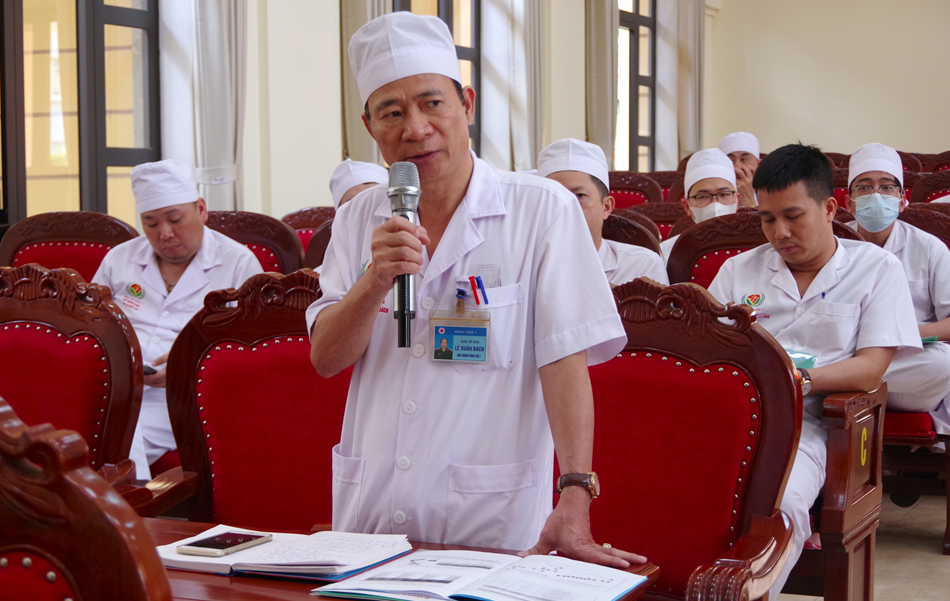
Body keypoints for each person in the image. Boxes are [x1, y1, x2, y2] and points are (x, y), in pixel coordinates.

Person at [307, 12, 643, 568]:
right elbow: (326, 358)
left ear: (466, 104)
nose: (416, 128)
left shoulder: (540, 210)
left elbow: (564, 361)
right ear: (370, 126)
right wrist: (374, 281)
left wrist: (575, 493)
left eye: (432, 103)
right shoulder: (357, 218)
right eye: (392, 112)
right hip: (371, 515)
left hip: (493, 518)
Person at [706, 144, 921, 599]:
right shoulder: (737, 271)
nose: (780, 232)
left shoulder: (876, 268)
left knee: (777, 504)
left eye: (793, 216)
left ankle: (745, 591)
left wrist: (797, 382)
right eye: (767, 219)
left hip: (815, 422)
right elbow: (711, 355)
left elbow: (870, 370)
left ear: (829, 209)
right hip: (730, 416)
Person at [93, 160, 263, 480]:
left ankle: (129, 503)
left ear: (201, 209)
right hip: (114, 386)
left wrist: (189, 364)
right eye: (151, 223)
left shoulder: (239, 263)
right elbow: (91, 324)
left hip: (188, 396)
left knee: (115, 436)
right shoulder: (119, 259)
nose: (165, 234)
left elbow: (252, 350)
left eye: (175, 219)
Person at [846, 143, 950, 433]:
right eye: (864, 187)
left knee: (945, 362)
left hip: (905, 371)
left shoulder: (929, 248)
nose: (876, 195)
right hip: (846, 350)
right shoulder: (833, 245)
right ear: (849, 203)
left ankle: (835, 380)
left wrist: (902, 335)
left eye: (887, 187)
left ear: (903, 201)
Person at [537, 138, 668, 286]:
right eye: (554, 196)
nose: (565, 207)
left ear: (606, 207)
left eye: (579, 196)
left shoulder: (640, 267)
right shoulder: (524, 265)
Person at [660, 148, 740, 262]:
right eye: (703, 197)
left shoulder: (756, 247)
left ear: (737, 200)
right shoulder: (667, 253)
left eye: (723, 194)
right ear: (687, 206)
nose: (715, 204)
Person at [718, 131, 760, 208]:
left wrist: (749, 201)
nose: (737, 167)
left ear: (758, 164)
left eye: (744, 159)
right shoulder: (713, 196)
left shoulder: (771, 193)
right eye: (730, 160)